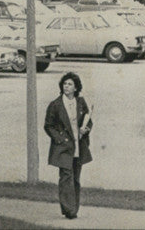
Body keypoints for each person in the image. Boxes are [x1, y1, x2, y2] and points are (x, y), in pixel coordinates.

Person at [44, 72, 93, 219]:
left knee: (76, 178)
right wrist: (60, 139)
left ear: (76, 88)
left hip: (79, 145)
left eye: (70, 84)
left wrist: (85, 129)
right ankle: (69, 209)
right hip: (63, 147)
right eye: (64, 84)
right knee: (66, 177)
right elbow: (48, 126)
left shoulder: (81, 102)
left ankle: (73, 209)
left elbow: (88, 120)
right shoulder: (55, 105)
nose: (66, 86)